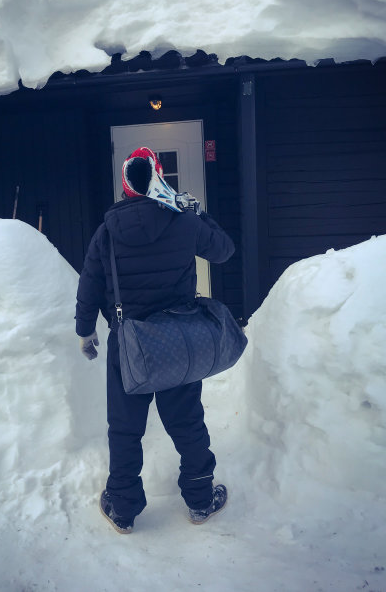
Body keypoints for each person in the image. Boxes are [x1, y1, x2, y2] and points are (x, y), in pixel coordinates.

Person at [75, 146, 235, 534]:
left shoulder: (107, 232)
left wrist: (85, 330)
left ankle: (124, 507)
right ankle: (200, 498)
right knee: (186, 421)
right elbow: (224, 251)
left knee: (125, 427)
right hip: (175, 339)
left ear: (126, 184)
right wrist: (197, 212)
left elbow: (90, 284)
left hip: (128, 343)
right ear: (159, 177)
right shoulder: (182, 221)